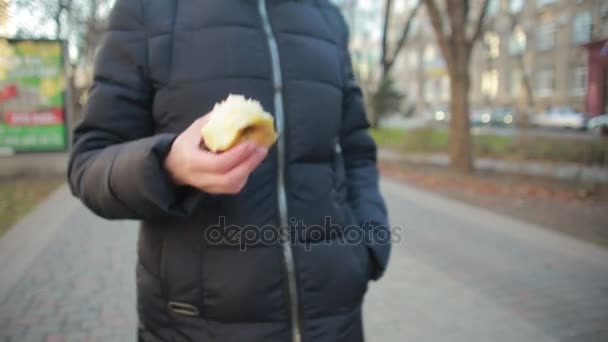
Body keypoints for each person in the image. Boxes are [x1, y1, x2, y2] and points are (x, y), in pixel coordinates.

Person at [68, 0, 389, 341]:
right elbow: (88, 162)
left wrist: (369, 245)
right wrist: (167, 166)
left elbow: (356, 150)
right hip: (194, 323)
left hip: (334, 318)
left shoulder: (326, 17)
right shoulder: (149, 10)